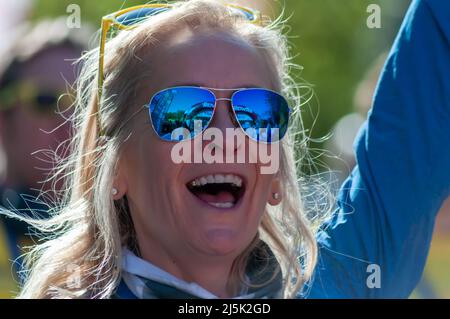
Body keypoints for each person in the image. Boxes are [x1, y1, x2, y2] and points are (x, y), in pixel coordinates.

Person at [3, 0, 449, 298]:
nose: (225, 134)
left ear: (275, 176)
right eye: (182, 110)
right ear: (115, 167)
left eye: (255, 111)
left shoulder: (343, 279)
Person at [0, 18, 87, 297]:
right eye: (46, 100)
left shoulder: (134, 245)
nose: (71, 120)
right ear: (3, 120)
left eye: (87, 103)